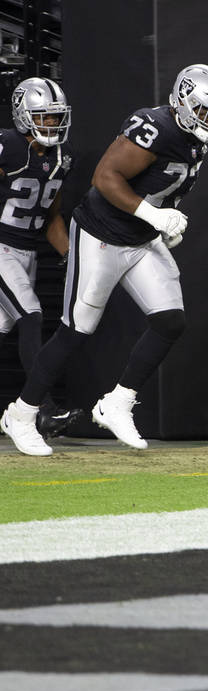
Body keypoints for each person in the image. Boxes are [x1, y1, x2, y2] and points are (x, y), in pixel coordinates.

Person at [1, 64, 208, 456]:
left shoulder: (196, 139)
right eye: (206, 111)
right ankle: (22, 415)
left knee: (170, 320)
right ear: (182, 101)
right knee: (75, 330)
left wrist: (164, 221)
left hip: (140, 239)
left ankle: (118, 402)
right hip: (101, 236)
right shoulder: (153, 125)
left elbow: (163, 185)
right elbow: (106, 177)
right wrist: (154, 214)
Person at [0, 77, 83, 441]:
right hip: (1, 246)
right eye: (44, 117)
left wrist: (72, 257)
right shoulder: (9, 147)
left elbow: (51, 216)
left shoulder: (61, 158)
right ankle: (41, 409)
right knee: (32, 315)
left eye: (55, 117)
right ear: (22, 115)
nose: (52, 124)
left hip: (28, 252)